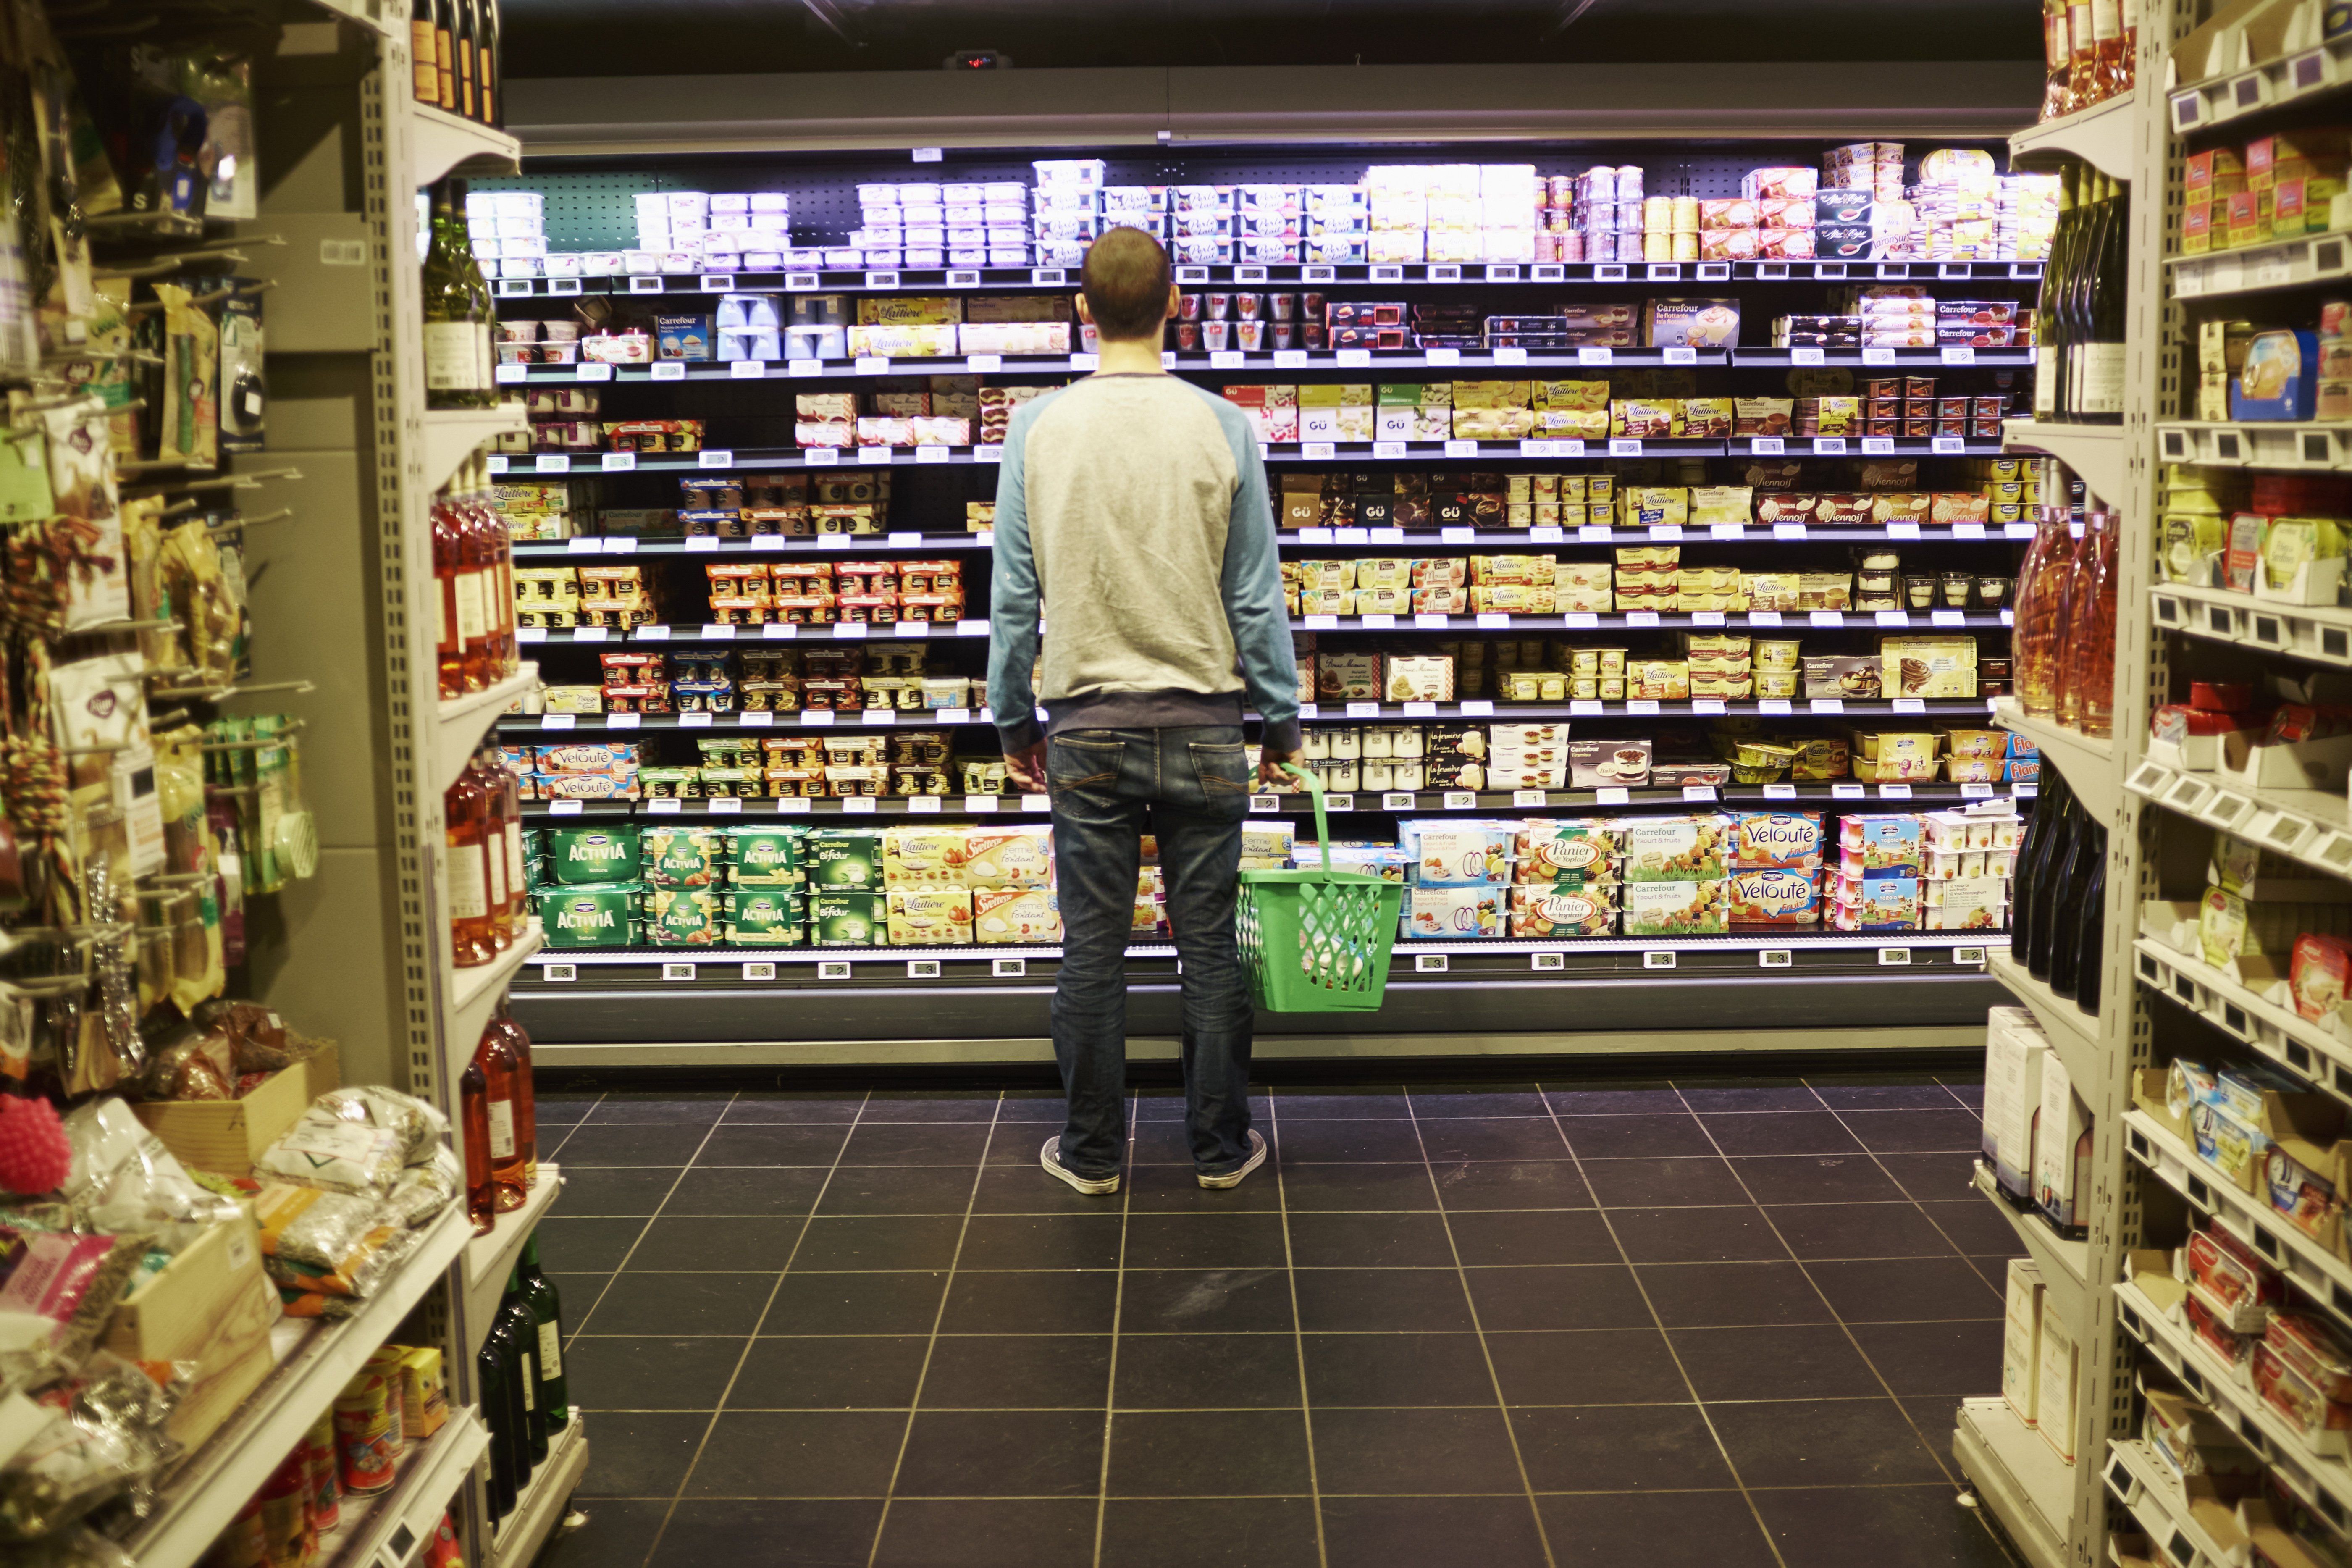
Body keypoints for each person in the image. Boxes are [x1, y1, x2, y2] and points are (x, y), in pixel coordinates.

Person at [987, 226, 1301, 1197]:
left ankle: (1090, 1155)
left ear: (1080, 310)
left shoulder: (1036, 428)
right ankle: (1217, 1150)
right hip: (1205, 726)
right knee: (1206, 945)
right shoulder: (1225, 425)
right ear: (1178, 303)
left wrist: (1010, 719)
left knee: (1093, 947)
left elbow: (1011, 596)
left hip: (1082, 728)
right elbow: (1255, 596)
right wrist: (1281, 721)